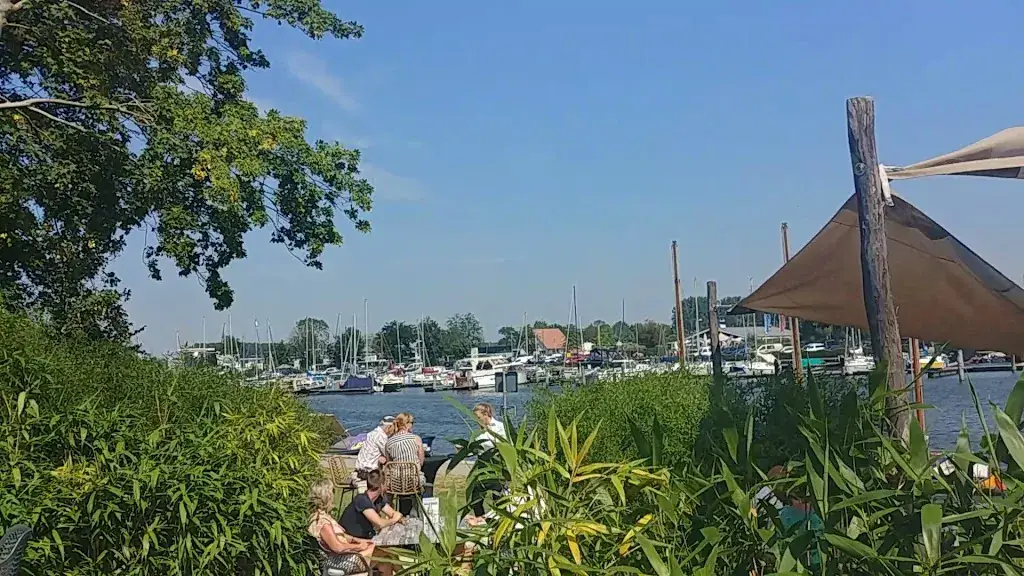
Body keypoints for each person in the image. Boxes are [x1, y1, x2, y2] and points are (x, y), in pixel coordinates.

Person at [338, 470, 403, 576]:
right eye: (386, 483)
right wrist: (394, 519)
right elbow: (379, 523)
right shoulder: (362, 500)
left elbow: (392, 513)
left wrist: (398, 517)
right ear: (381, 486)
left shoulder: (378, 500)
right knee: (389, 552)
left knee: (386, 563)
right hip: (352, 547)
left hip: (364, 544)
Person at [307, 478, 375, 574]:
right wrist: (359, 546)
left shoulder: (319, 516)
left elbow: (339, 536)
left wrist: (356, 540)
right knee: (380, 553)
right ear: (327, 496)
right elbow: (338, 547)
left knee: (383, 557)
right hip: (339, 562)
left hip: (342, 557)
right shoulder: (323, 524)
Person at [468, 403, 507, 517]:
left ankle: (500, 520)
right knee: (476, 497)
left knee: (498, 496)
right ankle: (480, 518)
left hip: (496, 466)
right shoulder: (477, 432)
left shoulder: (499, 427)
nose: (477, 421)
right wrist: (465, 450)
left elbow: (503, 444)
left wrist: (488, 432)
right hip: (482, 467)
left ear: (486, 415)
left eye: (478, 417)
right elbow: (475, 450)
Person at [353, 415, 394, 486]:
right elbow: (390, 455)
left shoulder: (371, 433)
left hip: (359, 472)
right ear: (389, 427)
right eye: (394, 429)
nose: (394, 431)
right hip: (370, 475)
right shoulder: (381, 437)